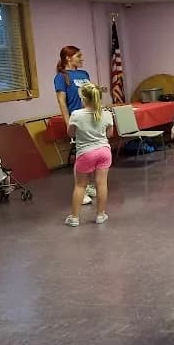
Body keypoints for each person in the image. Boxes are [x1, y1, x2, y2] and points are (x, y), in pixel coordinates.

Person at [64, 83, 113, 227]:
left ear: (83, 99)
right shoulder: (107, 114)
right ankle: (100, 215)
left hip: (85, 153)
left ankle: (74, 218)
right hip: (104, 151)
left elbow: (70, 133)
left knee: (80, 185)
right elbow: (109, 134)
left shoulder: (76, 115)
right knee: (102, 184)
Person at [54, 45, 96, 205]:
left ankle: (89, 185)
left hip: (91, 118)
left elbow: (92, 95)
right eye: (79, 56)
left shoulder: (84, 74)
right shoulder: (61, 77)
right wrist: (68, 122)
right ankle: (82, 189)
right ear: (68, 58)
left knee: (92, 154)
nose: (82, 58)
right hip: (77, 119)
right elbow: (61, 101)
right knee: (82, 156)